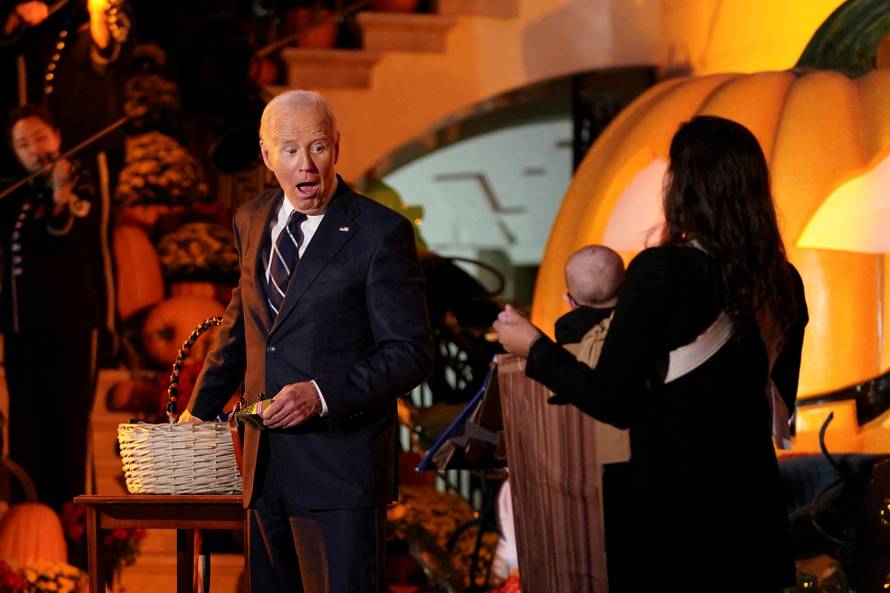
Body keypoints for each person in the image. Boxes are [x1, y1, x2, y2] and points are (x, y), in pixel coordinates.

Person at [494, 115, 808, 591]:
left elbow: (612, 400)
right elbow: (780, 406)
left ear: (685, 188)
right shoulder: (784, 281)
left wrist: (533, 347)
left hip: (672, 518)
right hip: (752, 518)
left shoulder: (662, 271)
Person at [181, 90, 434, 593]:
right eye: (291, 150)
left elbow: (410, 354)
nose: (307, 165)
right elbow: (242, 325)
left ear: (337, 147)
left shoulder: (380, 233)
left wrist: (319, 395)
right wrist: (196, 415)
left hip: (341, 472)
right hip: (264, 468)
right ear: (266, 155)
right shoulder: (250, 219)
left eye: (318, 147)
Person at [0, 103, 105, 508]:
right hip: (22, 330)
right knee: (26, 430)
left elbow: (64, 231)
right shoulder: (15, 194)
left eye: (40, 138)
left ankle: (71, 529)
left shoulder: (82, 183)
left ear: (57, 137)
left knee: (66, 429)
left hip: (68, 330)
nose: (33, 149)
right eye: (23, 144)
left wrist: (61, 193)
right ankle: (31, 513)